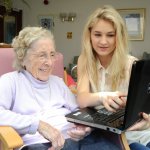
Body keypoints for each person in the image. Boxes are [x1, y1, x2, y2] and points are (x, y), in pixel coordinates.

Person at [0, 26, 120, 150]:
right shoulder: (10, 81)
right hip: (40, 144)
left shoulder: (57, 82)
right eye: (42, 55)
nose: (50, 62)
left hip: (76, 140)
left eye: (52, 55)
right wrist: (38, 125)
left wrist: (84, 127)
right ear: (22, 57)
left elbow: (78, 111)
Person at [77, 5, 150, 150]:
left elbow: (145, 109)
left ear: (119, 36)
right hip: (112, 138)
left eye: (110, 35)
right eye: (97, 35)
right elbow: (82, 99)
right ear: (89, 35)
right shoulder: (84, 60)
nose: (103, 42)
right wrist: (102, 97)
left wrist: (146, 120)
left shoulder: (131, 64)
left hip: (137, 134)